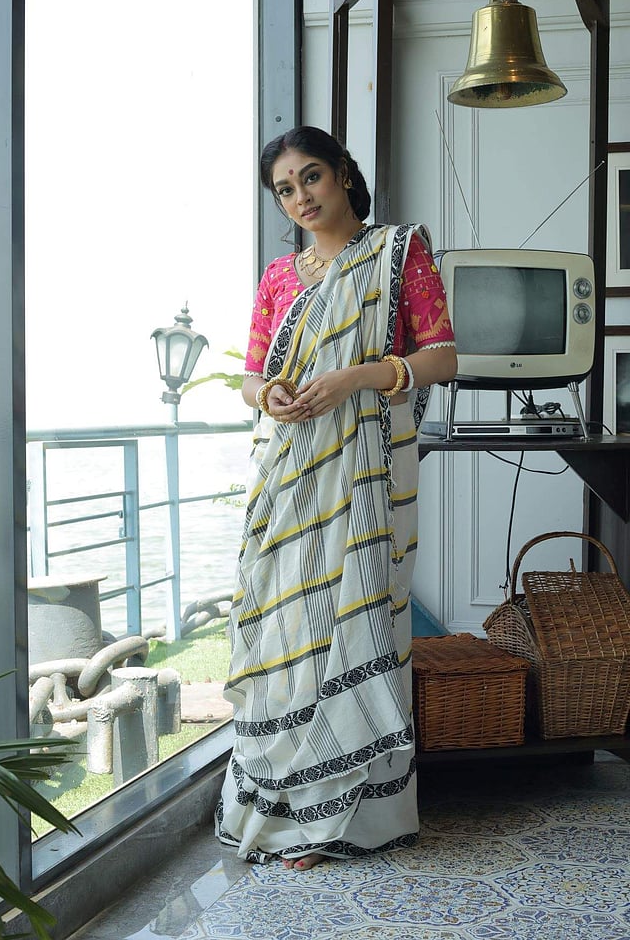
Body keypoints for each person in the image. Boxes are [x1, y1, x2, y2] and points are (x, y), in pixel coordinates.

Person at [215, 126, 457, 871]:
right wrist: (273, 393)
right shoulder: (280, 278)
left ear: (345, 175)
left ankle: (347, 818)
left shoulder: (400, 251)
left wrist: (356, 377)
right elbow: (253, 376)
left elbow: (444, 357)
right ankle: (285, 806)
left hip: (366, 475)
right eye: (285, 189)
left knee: (355, 625)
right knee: (288, 630)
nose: (301, 197)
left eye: (312, 177)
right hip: (292, 478)